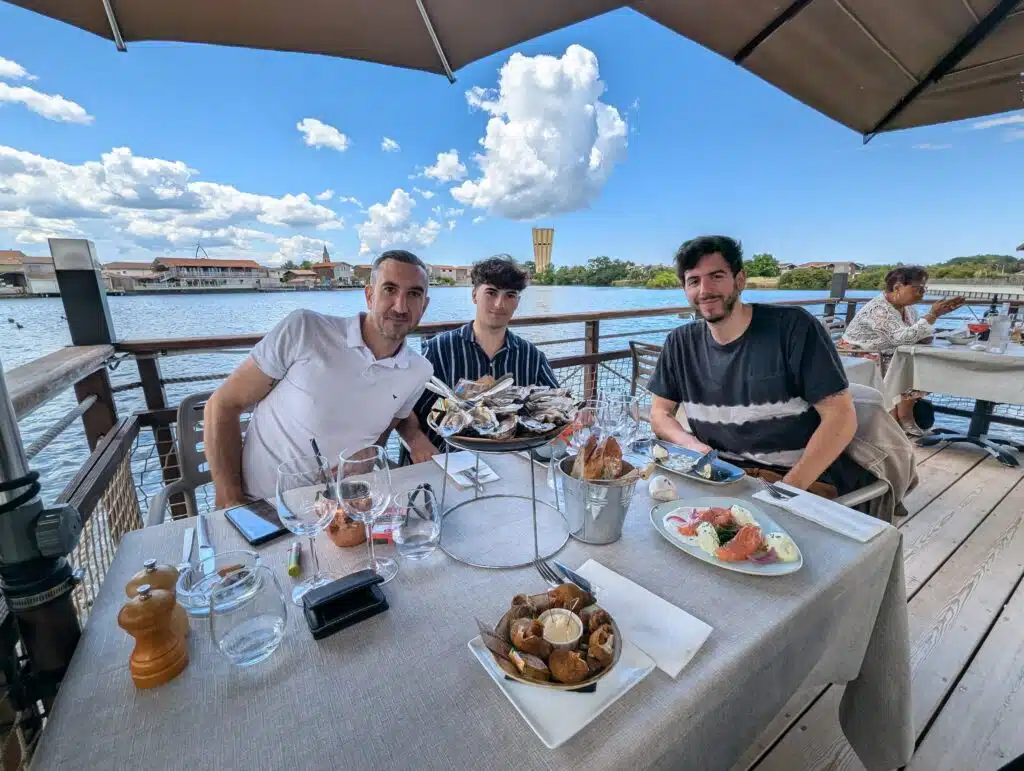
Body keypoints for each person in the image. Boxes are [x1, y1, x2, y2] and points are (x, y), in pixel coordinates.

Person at [647, 235, 876, 498]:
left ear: (740, 280)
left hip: (798, 480)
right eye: (694, 281)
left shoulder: (793, 328)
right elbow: (659, 414)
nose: (705, 290)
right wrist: (693, 446)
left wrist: (786, 492)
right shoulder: (679, 343)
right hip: (720, 475)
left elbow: (841, 417)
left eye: (717, 276)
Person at [204, 250, 435, 506]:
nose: (401, 306)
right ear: (369, 295)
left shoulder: (419, 371)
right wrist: (230, 501)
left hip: (343, 507)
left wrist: (371, 454)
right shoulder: (305, 329)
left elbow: (381, 431)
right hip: (261, 504)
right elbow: (222, 405)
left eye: (413, 294)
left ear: (424, 305)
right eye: (390, 289)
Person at [401, 255, 559, 459]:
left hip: (513, 462)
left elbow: (557, 407)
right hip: (447, 459)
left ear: (517, 303)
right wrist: (417, 441)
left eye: (509, 295)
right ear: (475, 295)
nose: (499, 304)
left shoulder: (531, 356)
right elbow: (404, 408)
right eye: (491, 293)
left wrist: (580, 416)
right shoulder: (439, 349)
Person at [839, 266, 964, 435]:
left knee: (920, 363)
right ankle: (901, 417)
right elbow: (901, 338)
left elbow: (911, 333)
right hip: (859, 354)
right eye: (918, 288)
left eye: (924, 288)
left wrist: (927, 328)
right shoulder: (878, 309)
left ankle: (902, 416)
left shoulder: (907, 307)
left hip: (887, 351)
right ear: (898, 287)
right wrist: (932, 315)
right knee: (913, 365)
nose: (922, 293)